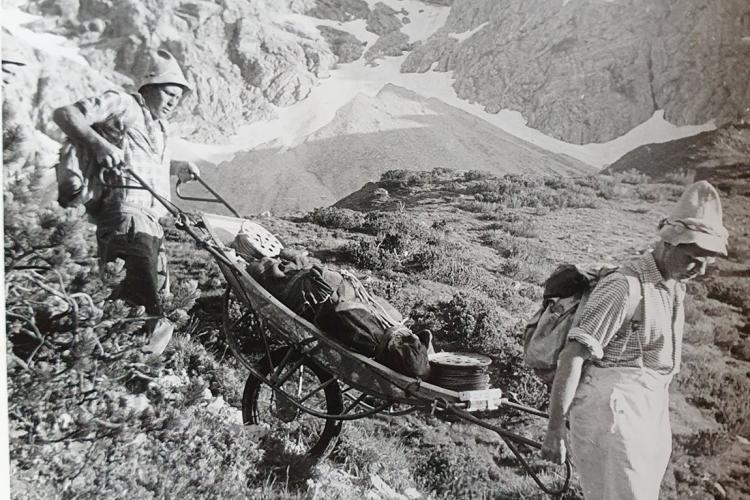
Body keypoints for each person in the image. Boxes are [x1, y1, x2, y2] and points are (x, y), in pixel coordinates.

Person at [541, 181, 729, 499]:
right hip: (612, 412)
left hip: (648, 411)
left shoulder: (673, 287)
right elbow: (572, 356)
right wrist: (555, 429)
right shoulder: (625, 287)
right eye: (693, 257)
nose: (700, 269)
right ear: (669, 242)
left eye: (707, 261)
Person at [52, 49, 200, 355]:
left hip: (152, 224)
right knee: (145, 303)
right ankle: (128, 368)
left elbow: (142, 160)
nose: (174, 101)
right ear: (148, 89)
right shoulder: (123, 104)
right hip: (125, 218)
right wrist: (98, 143)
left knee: (151, 299)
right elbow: (65, 114)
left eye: (178, 96)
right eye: (169, 93)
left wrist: (177, 167)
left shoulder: (161, 127)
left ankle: (121, 364)